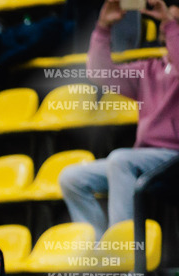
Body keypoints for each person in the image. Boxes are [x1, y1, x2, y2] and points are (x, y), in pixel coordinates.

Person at [58, 0, 179, 238]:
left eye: (175, 22)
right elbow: (99, 72)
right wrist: (104, 27)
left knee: (121, 160)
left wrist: (167, 22)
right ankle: (100, 250)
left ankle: (125, 258)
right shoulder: (149, 69)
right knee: (71, 178)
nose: (169, 26)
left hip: (173, 157)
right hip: (146, 158)